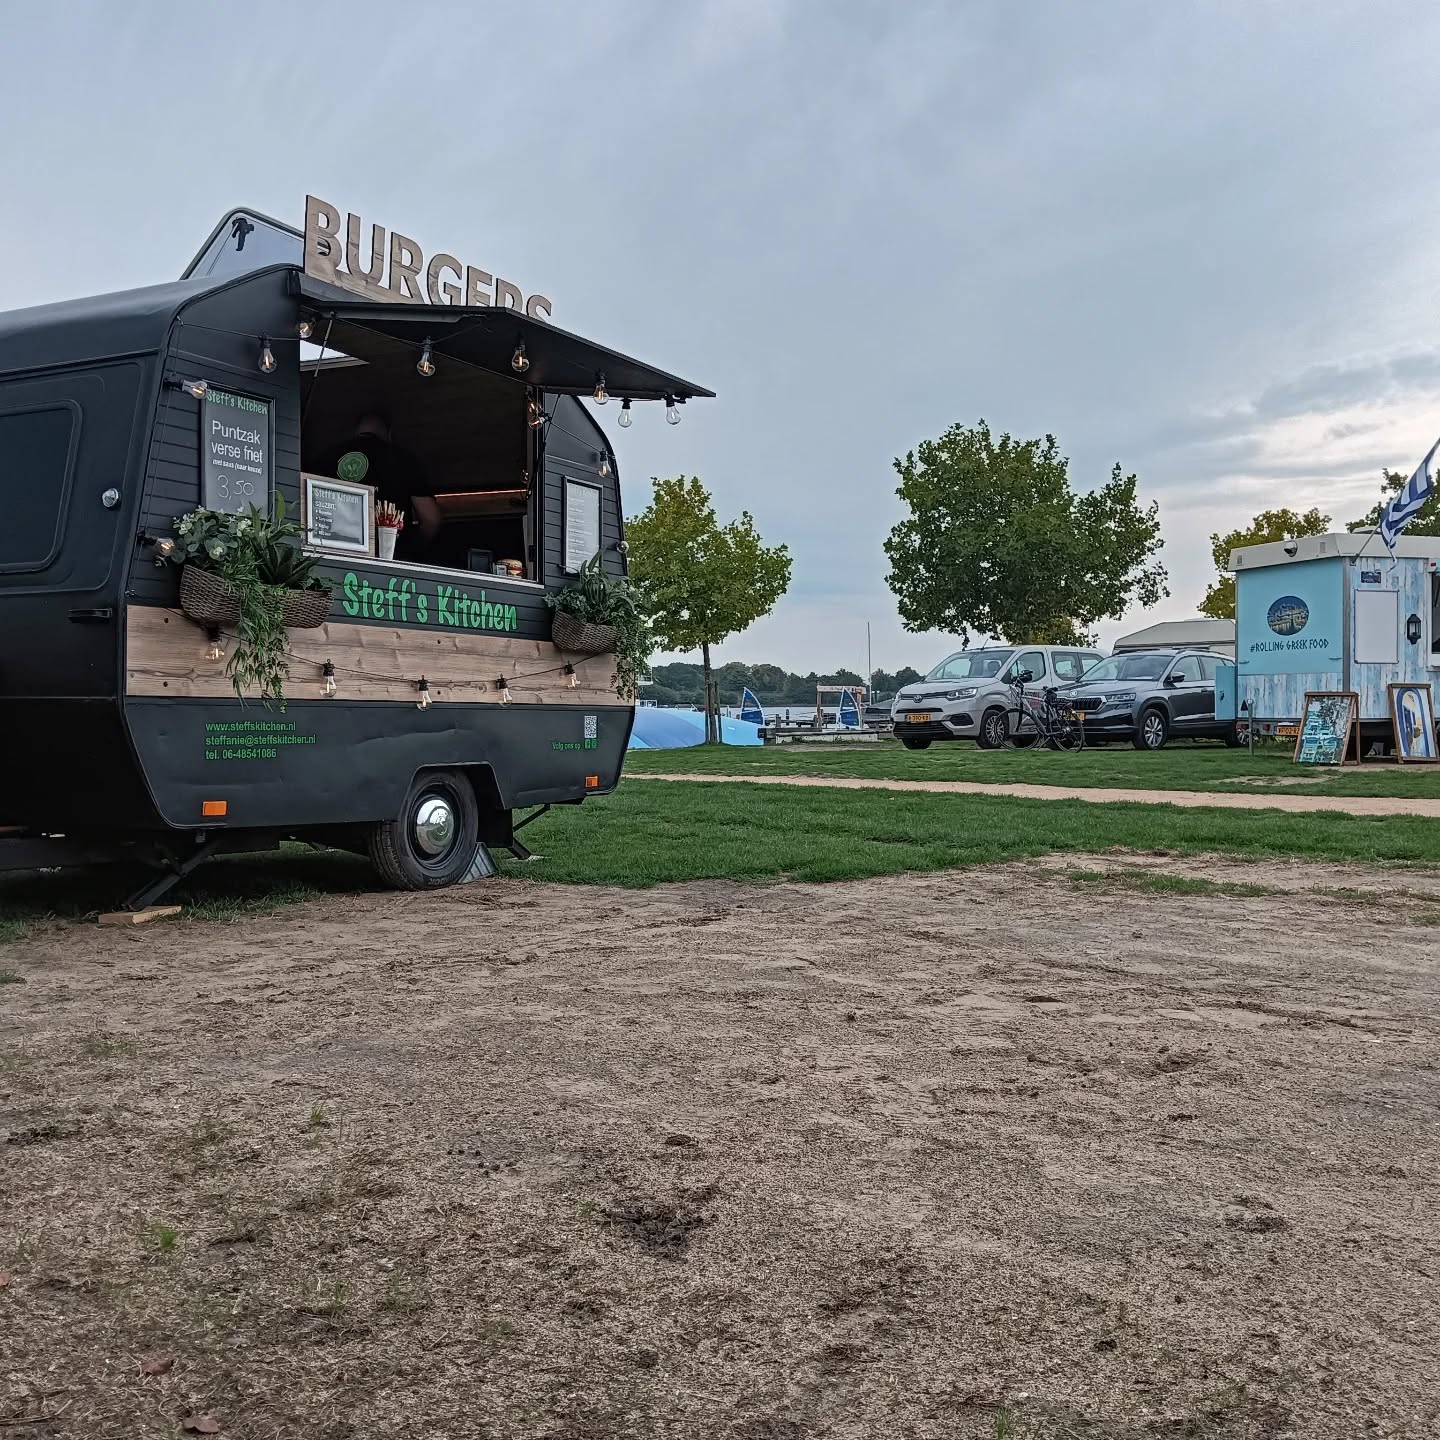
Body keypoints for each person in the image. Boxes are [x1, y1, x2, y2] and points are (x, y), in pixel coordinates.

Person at [322, 413, 441, 563]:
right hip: (392, 560)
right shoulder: (402, 459)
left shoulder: (327, 459)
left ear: (356, 431)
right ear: (389, 433)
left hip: (335, 556)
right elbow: (431, 519)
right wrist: (414, 552)